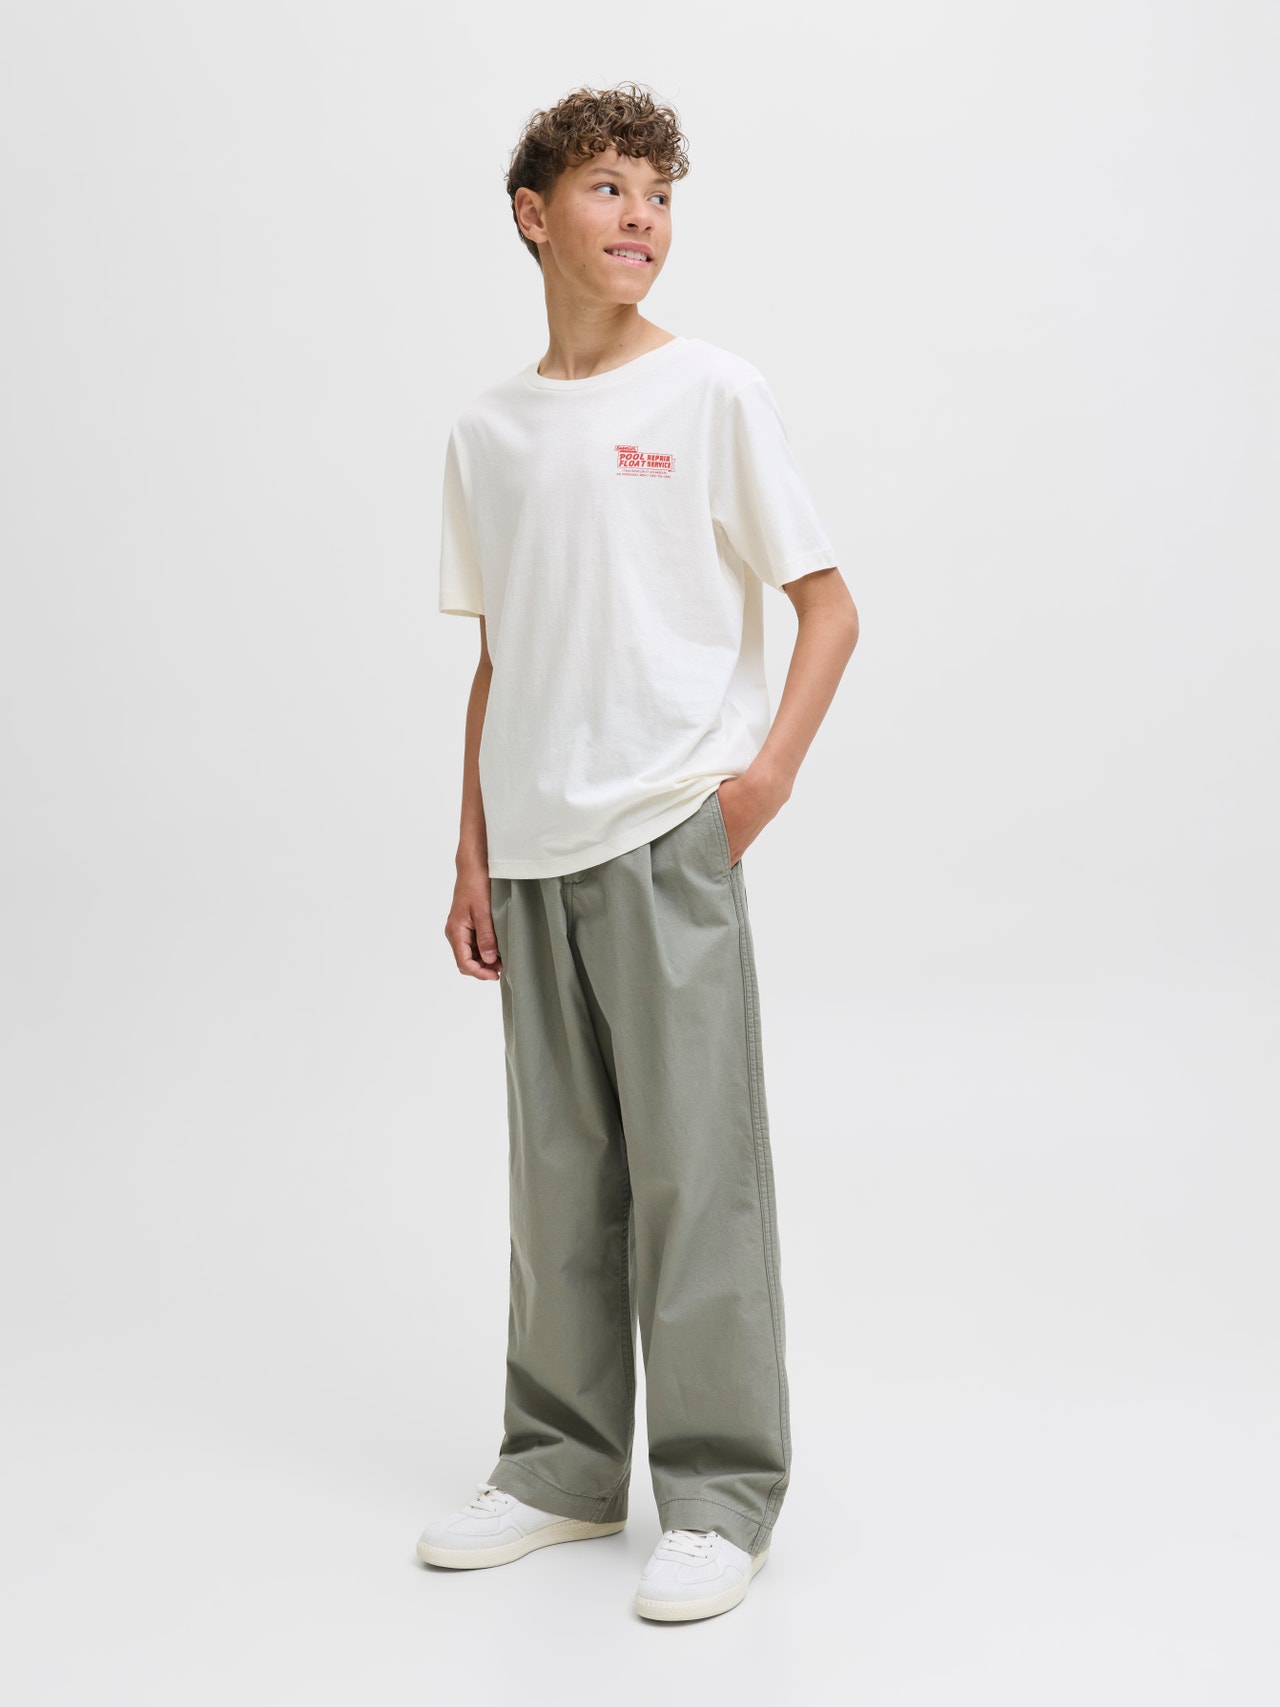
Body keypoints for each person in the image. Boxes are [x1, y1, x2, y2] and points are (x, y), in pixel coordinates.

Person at [416, 82, 859, 1623]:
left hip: (670, 830)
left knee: (694, 1177)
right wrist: (470, 853)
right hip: (533, 851)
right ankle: (559, 1468)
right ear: (533, 215)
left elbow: (827, 607)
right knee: (559, 1182)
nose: (642, 219)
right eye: (610, 189)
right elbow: (501, 653)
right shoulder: (486, 430)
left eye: (660, 195)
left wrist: (759, 786)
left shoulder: (713, 392)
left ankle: (722, 1495)